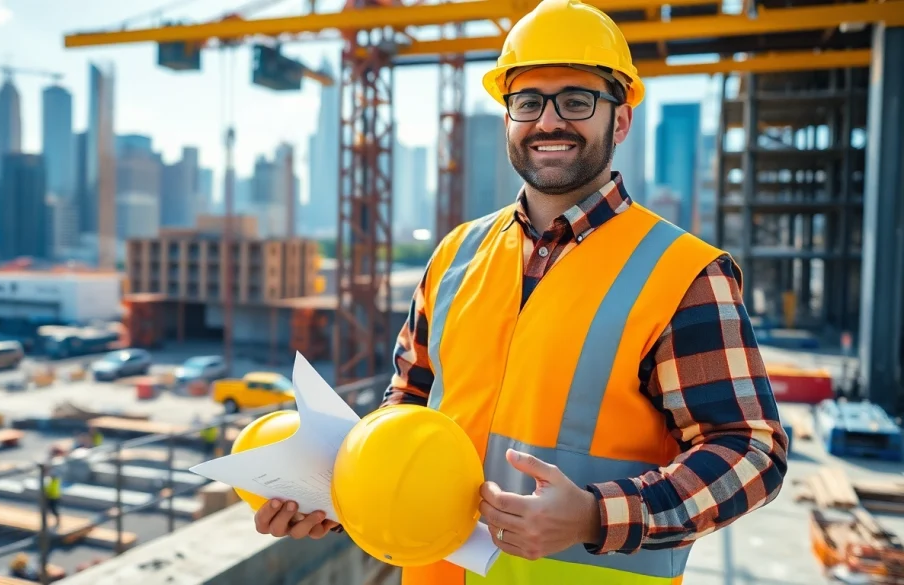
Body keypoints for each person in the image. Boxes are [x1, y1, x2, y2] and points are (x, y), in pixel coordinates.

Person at [253, 0, 788, 582]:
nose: (548, 121)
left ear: (622, 120)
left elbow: (751, 454)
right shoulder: (455, 255)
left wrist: (594, 516)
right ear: (508, 118)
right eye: (528, 102)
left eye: (576, 101)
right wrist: (334, 496)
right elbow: (406, 410)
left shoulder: (684, 274)